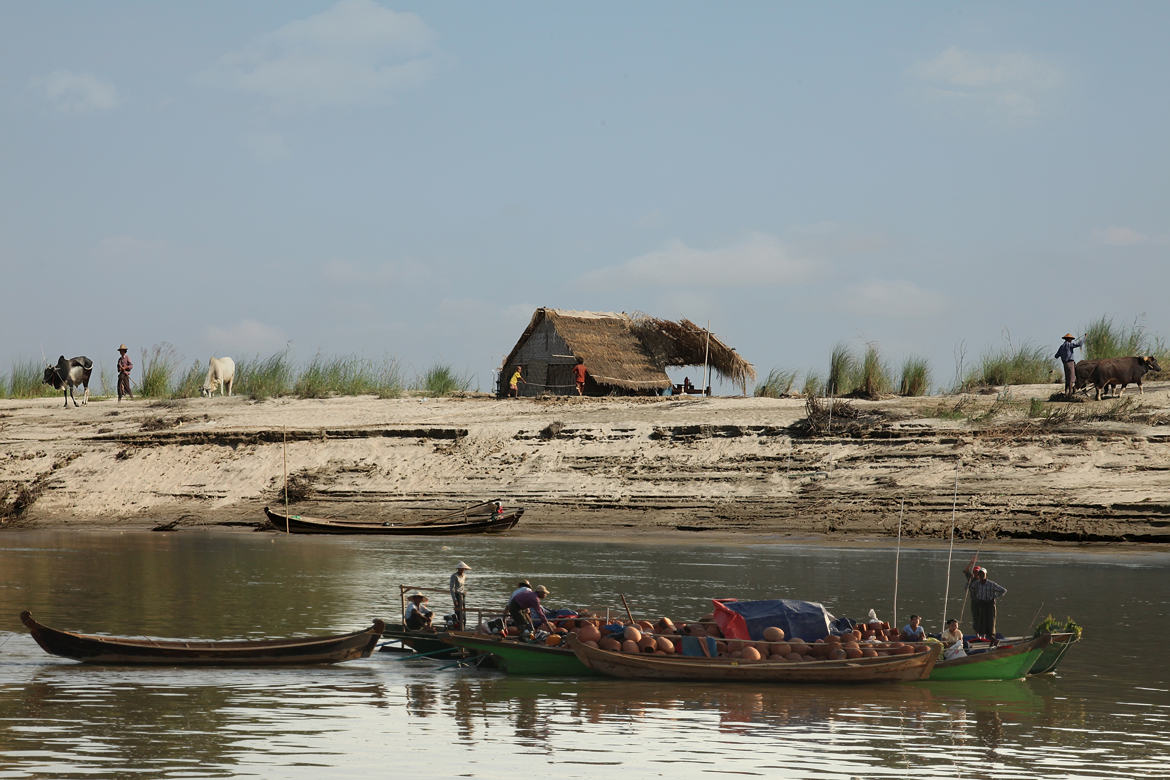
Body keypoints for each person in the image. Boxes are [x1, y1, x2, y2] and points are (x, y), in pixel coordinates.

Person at [963, 555, 1007, 646]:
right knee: (979, 620)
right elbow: (968, 587)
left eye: (981, 573)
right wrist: (968, 583)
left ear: (985, 574)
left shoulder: (990, 584)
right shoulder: (974, 581)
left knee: (990, 621)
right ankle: (980, 636)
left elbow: (1003, 590)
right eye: (978, 573)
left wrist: (993, 597)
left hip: (989, 604)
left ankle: (991, 637)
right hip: (979, 603)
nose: (979, 575)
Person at [449, 561, 471, 629]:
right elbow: (452, 588)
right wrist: (454, 599)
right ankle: (459, 627)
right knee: (458, 612)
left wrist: (464, 592)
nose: (462, 570)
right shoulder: (454, 576)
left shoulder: (464, 576)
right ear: (458, 569)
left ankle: (463, 626)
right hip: (457, 595)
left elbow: (462, 586)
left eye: (463, 569)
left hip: (462, 596)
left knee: (463, 612)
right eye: (460, 568)